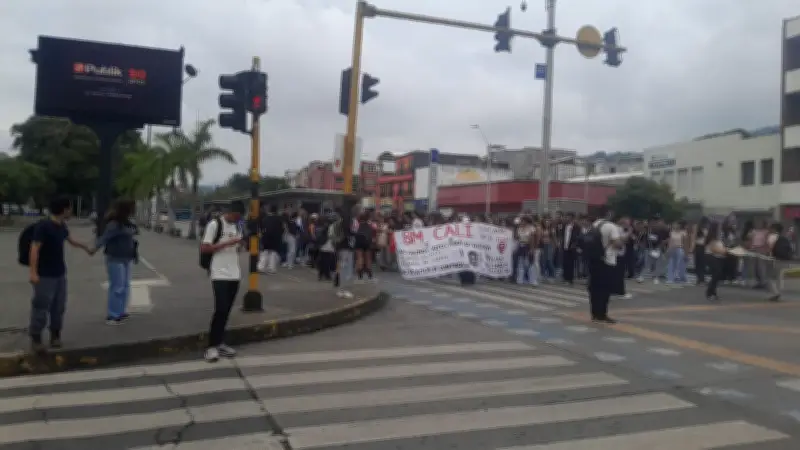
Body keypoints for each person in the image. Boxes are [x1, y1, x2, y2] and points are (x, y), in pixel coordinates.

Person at [28, 196, 92, 352]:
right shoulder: (44, 227)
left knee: (59, 307)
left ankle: (55, 335)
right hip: (44, 275)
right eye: (70, 208)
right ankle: (36, 338)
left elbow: (70, 240)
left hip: (59, 274)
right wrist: (33, 272)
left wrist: (85, 247)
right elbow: (34, 249)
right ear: (64, 209)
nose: (71, 211)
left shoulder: (61, 226)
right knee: (41, 307)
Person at [200, 201, 245, 362]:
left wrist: (239, 245)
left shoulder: (237, 226)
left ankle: (220, 343)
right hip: (219, 273)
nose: (237, 219)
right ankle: (211, 346)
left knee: (226, 311)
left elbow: (237, 247)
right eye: (236, 216)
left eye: (240, 217)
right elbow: (205, 248)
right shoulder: (215, 225)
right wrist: (227, 243)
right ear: (230, 212)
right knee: (220, 309)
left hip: (234, 273)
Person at [92, 198, 139, 325]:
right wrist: (93, 249)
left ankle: (121, 311)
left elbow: (134, 233)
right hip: (115, 258)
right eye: (132, 208)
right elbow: (104, 238)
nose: (134, 210)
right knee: (117, 287)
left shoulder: (127, 223)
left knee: (125, 286)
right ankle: (112, 315)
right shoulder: (114, 225)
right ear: (126, 210)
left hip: (127, 257)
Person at [588, 210, 621, 324]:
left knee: (594, 288)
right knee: (605, 289)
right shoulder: (611, 227)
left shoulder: (595, 224)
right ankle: (602, 314)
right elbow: (617, 243)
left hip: (594, 259)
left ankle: (594, 314)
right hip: (607, 260)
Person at [705, 222, 726, 302]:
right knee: (717, 274)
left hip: (718, 257)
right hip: (712, 257)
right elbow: (714, 249)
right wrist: (724, 251)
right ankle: (709, 292)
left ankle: (713, 292)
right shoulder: (712, 237)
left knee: (717, 275)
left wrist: (725, 250)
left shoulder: (719, 236)